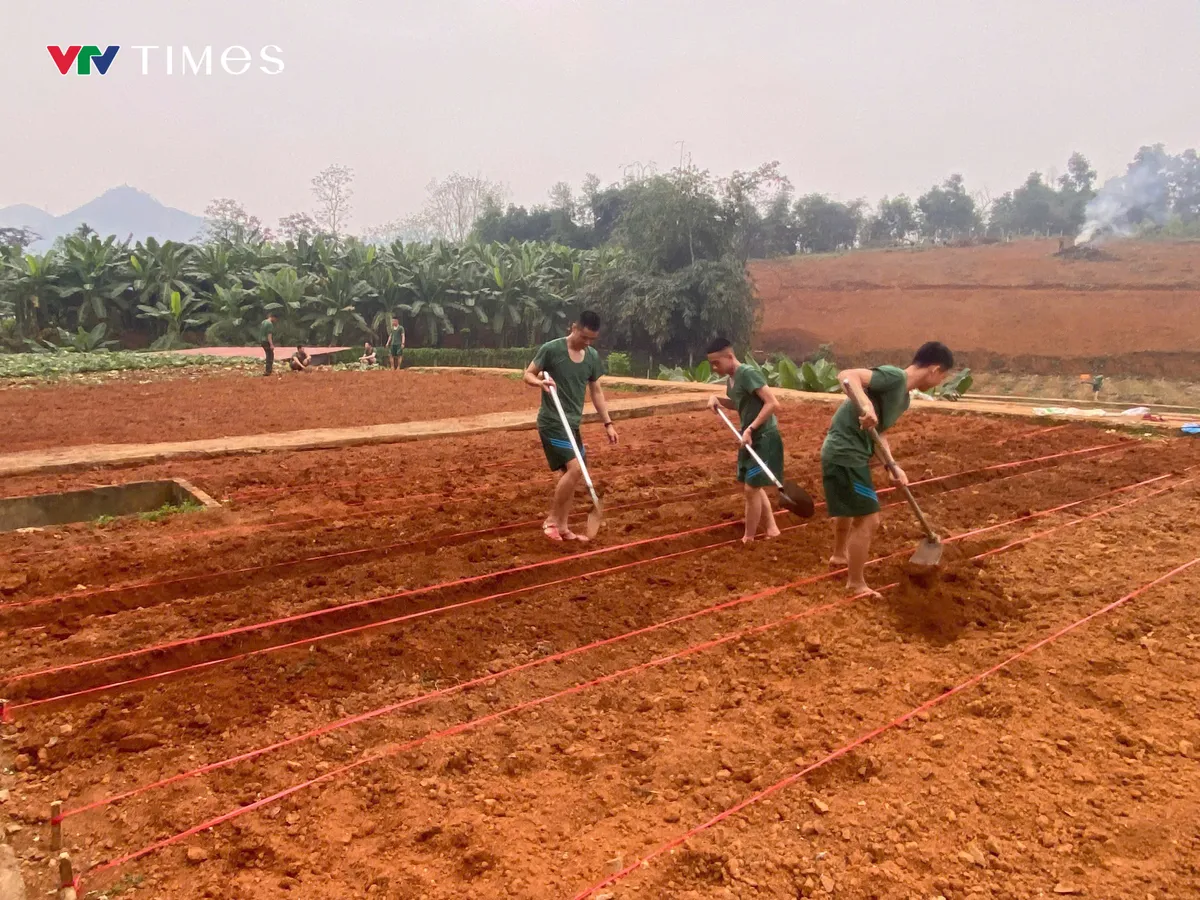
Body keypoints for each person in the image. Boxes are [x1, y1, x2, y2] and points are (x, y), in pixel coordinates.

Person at [821, 341, 954, 596]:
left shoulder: (903, 399)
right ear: (935, 369)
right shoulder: (895, 377)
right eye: (943, 376)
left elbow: (879, 434)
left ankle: (839, 556)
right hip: (845, 453)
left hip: (851, 453)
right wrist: (866, 405)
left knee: (850, 507)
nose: (940, 382)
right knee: (869, 518)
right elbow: (847, 376)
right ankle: (856, 583)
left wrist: (892, 466)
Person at [523, 310, 618, 542]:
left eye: (591, 339)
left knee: (572, 474)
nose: (587, 343)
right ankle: (551, 521)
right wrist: (540, 383)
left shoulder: (592, 356)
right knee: (576, 469)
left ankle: (563, 527)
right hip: (552, 421)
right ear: (574, 327)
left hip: (572, 423)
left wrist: (608, 423)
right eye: (584, 337)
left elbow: (596, 391)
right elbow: (528, 374)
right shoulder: (552, 349)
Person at [705, 338, 783, 544]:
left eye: (716, 363)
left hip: (763, 436)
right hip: (749, 437)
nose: (714, 368)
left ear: (730, 356)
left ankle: (748, 537)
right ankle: (772, 528)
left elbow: (772, 403)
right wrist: (718, 400)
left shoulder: (747, 373)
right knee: (752, 485)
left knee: (751, 488)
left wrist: (751, 428)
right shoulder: (731, 380)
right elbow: (738, 402)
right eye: (711, 364)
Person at [259, 312, 278, 376]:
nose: (275, 321)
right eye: (275, 319)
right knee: (270, 356)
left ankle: (268, 370)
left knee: (268, 354)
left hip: (262, 341)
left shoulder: (263, 322)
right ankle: (268, 371)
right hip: (266, 341)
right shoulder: (270, 324)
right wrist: (271, 344)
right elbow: (269, 335)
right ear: (273, 317)